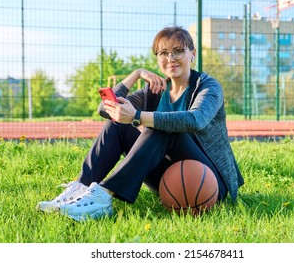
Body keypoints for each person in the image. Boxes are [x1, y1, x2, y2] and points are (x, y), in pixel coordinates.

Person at [36, 25, 244, 221]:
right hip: (171, 177)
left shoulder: (207, 86)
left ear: (193, 54)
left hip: (211, 180)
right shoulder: (155, 90)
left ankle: (103, 196)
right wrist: (135, 74)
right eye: (163, 53)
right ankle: (81, 188)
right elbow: (105, 110)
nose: (170, 58)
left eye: (178, 51)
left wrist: (137, 116)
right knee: (117, 123)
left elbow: (195, 119)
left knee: (160, 124)